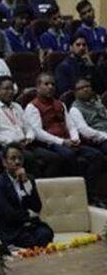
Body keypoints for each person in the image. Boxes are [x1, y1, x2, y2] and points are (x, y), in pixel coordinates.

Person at [25, 73, 104, 203]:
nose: (50, 87)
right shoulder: (32, 106)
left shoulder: (60, 104)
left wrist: (75, 138)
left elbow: (71, 125)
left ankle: (90, 192)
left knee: (96, 156)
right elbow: (38, 132)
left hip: (68, 140)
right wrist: (62, 142)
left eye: (53, 84)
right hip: (50, 143)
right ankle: (78, 193)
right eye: (46, 84)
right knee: (69, 155)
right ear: (38, 87)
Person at [0, 75, 61, 178]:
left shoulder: (17, 106)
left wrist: (29, 137)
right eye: (6, 89)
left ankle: (47, 185)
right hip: (7, 147)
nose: (10, 92)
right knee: (29, 158)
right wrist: (12, 142)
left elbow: (29, 127)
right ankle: (33, 185)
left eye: (12, 89)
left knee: (54, 158)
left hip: (25, 144)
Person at [0, 143, 54, 248]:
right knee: (31, 241)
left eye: (20, 158)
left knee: (46, 234)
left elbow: (37, 207)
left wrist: (26, 184)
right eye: (13, 158)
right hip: (12, 229)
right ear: (4, 162)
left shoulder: (28, 179)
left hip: (31, 226)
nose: (17, 162)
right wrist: (28, 215)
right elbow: (6, 213)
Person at [70, 78, 107, 153]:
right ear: (75, 93)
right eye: (81, 88)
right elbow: (85, 131)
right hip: (99, 140)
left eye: (87, 86)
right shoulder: (75, 109)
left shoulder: (97, 103)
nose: (85, 89)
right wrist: (105, 136)